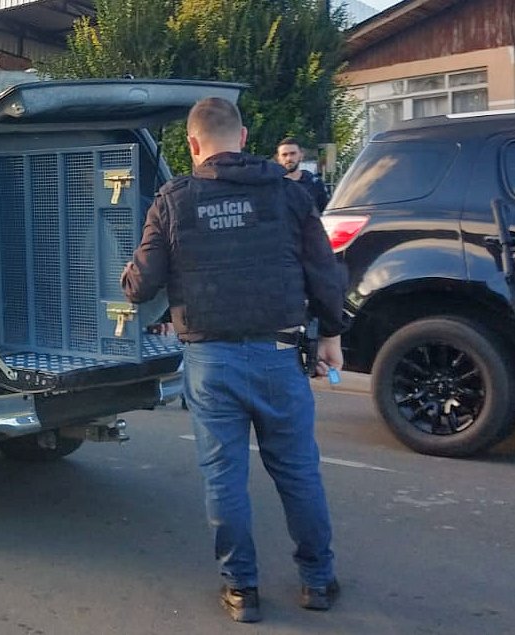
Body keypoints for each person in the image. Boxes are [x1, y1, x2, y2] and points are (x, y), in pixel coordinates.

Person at [121, 98, 345, 623]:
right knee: (298, 473)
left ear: (192, 145)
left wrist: (127, 274)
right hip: (279, 353)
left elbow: (141, 285)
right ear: (243, 138)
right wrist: (332, 333)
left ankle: (242, 590)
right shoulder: (290, 194)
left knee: (224, 477)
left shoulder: (173, 200)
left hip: (210, 361)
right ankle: (317, 581)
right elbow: (324, 271)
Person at [276, 137, 330, 213]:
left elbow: (326, 213)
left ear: (301, 156)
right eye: (284, 155)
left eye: (293, 153)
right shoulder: (272, 186)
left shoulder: (315, 184)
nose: (289, 158)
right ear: (279, 159)